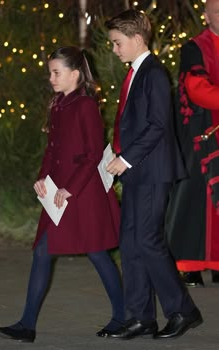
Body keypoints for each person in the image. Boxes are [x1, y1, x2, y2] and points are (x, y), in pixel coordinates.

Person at [0, 46, 125, 342]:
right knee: (43, 251)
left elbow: (92, 155)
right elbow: (52, 152)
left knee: (97, 252)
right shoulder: (58, 104)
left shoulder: (86, 105)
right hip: (59, 192)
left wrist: (70, 189)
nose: (51, 77)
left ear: (75, 74)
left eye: (56, 72)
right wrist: (43, 179)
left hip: (82, 193)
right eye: (50, 72)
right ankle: (27, 324)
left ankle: (122, 315)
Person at [104, 9, 203, 340]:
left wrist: (126, 158)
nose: (114, 50)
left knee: (148, 241)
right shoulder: (136, 73)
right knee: (130, 243)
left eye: (117, 43)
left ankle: (182, 310)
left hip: (151, 171)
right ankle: (140, 316)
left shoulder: (154, 74)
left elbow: (158, 125)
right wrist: (118, 153)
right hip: (137, 170)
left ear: (136, 39)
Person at [165, 0, 219, 287]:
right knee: (195, 199)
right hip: (201, 134)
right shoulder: (194, 48)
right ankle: (191, 266)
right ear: (206, 15)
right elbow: (196, 88)